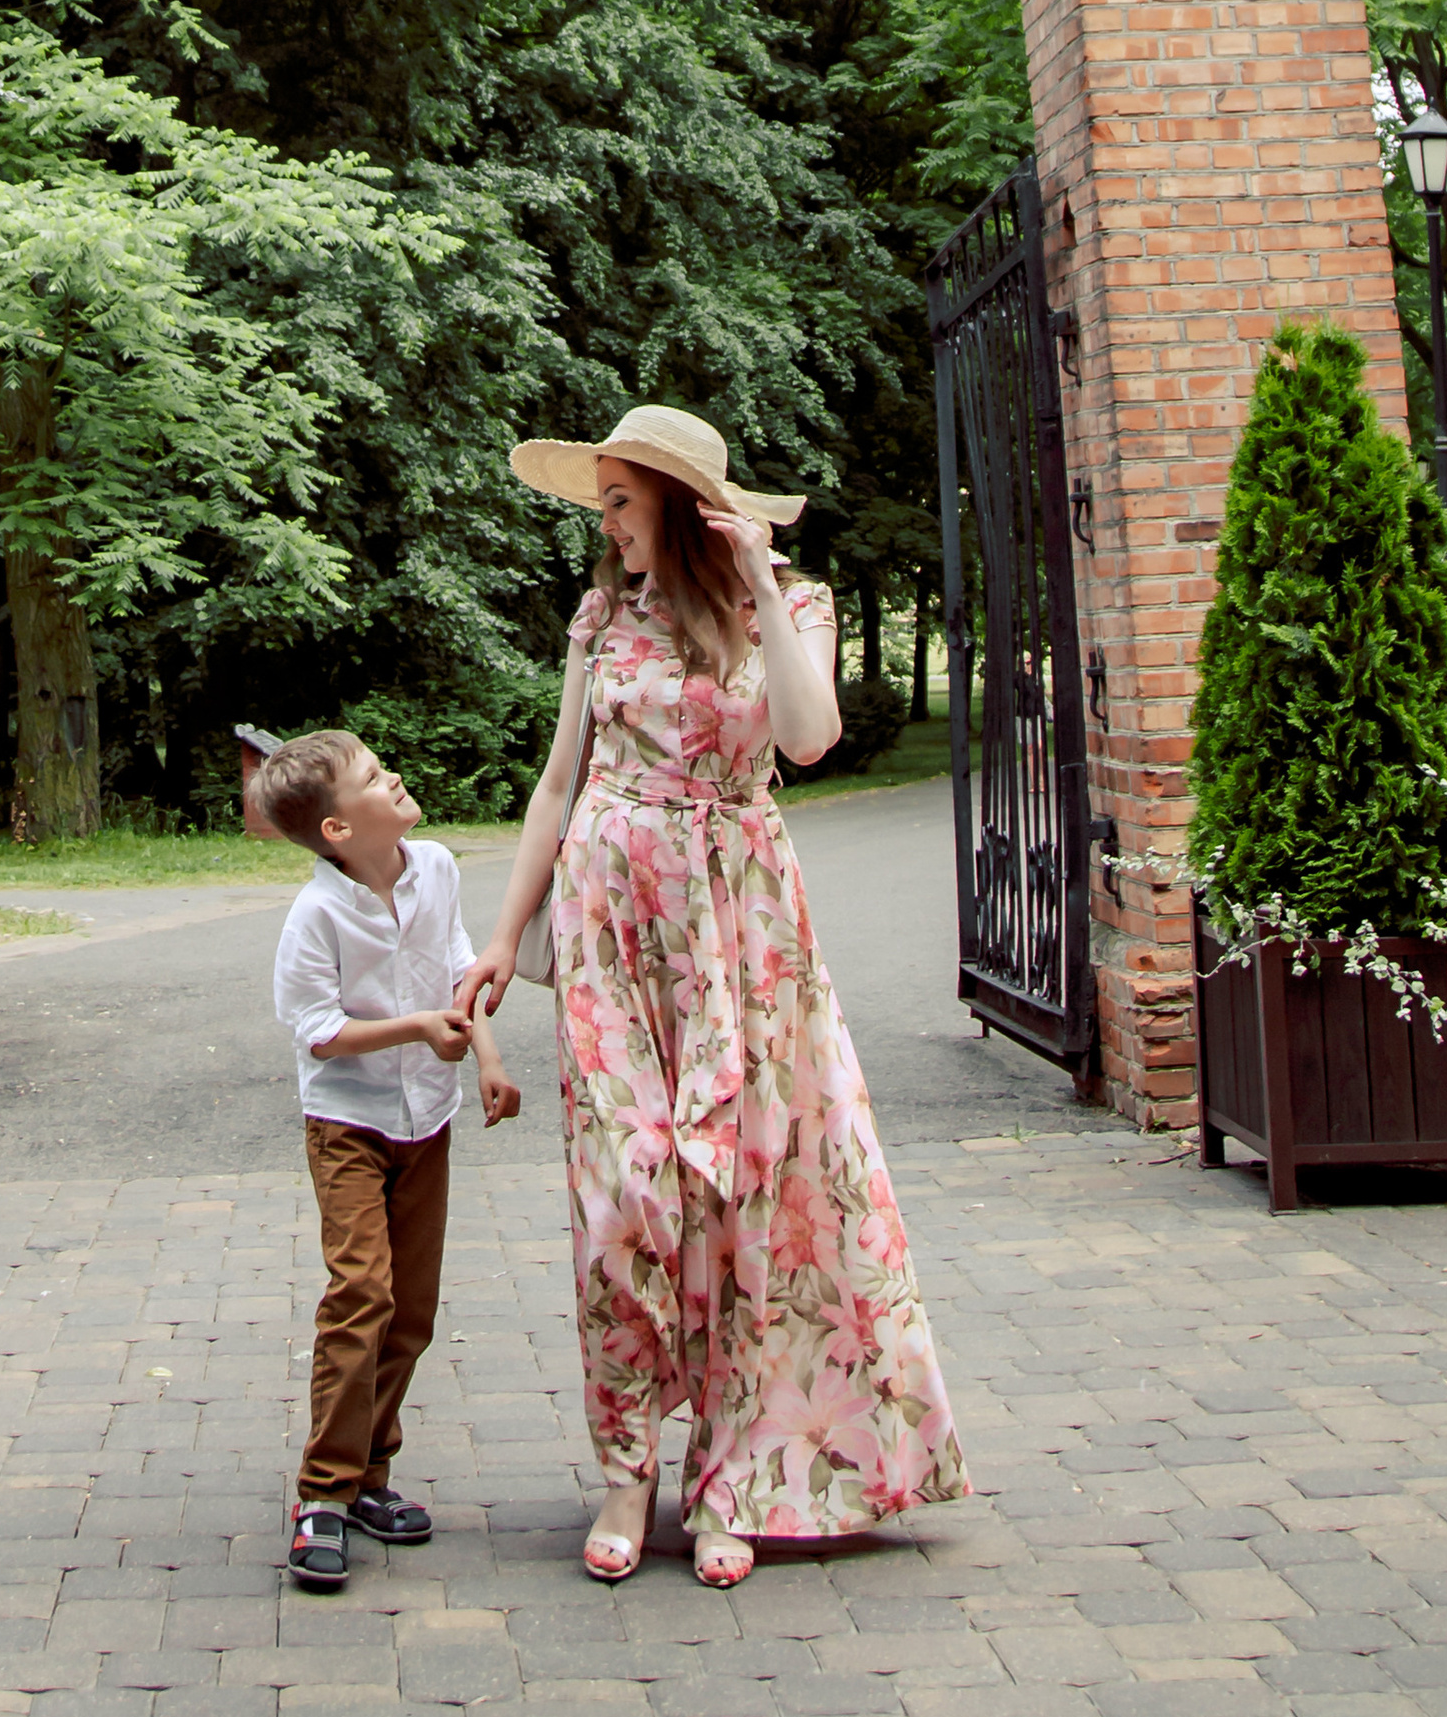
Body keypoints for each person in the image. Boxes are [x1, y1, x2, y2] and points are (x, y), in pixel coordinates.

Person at [458, 404, 969, 1591]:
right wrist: (499, 938)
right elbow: (554, 785)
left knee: (745, 1195)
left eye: (623, 501)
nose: (609, 524)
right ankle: (625, 1469)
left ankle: (732, 1475)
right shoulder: (600, 618)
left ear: (683, 508)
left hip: (744, 932)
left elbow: (808, 738)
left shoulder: (785, 606)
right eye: (605, 505)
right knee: (622, 1195)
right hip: (610, 928)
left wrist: (752, 571)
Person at [266, 727, 520, 1592]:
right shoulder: (315, 915)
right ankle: (322, 1498)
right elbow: (320, 1033)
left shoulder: (438, 868)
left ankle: (371, 1474)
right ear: (337, 829)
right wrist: (416, 1029)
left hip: (429, 1120)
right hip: (348, 1125)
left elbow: (458, 970)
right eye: (374, 777)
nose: (396, 774)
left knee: (409, 1311)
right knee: (361, 1294)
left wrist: (485, 1057)